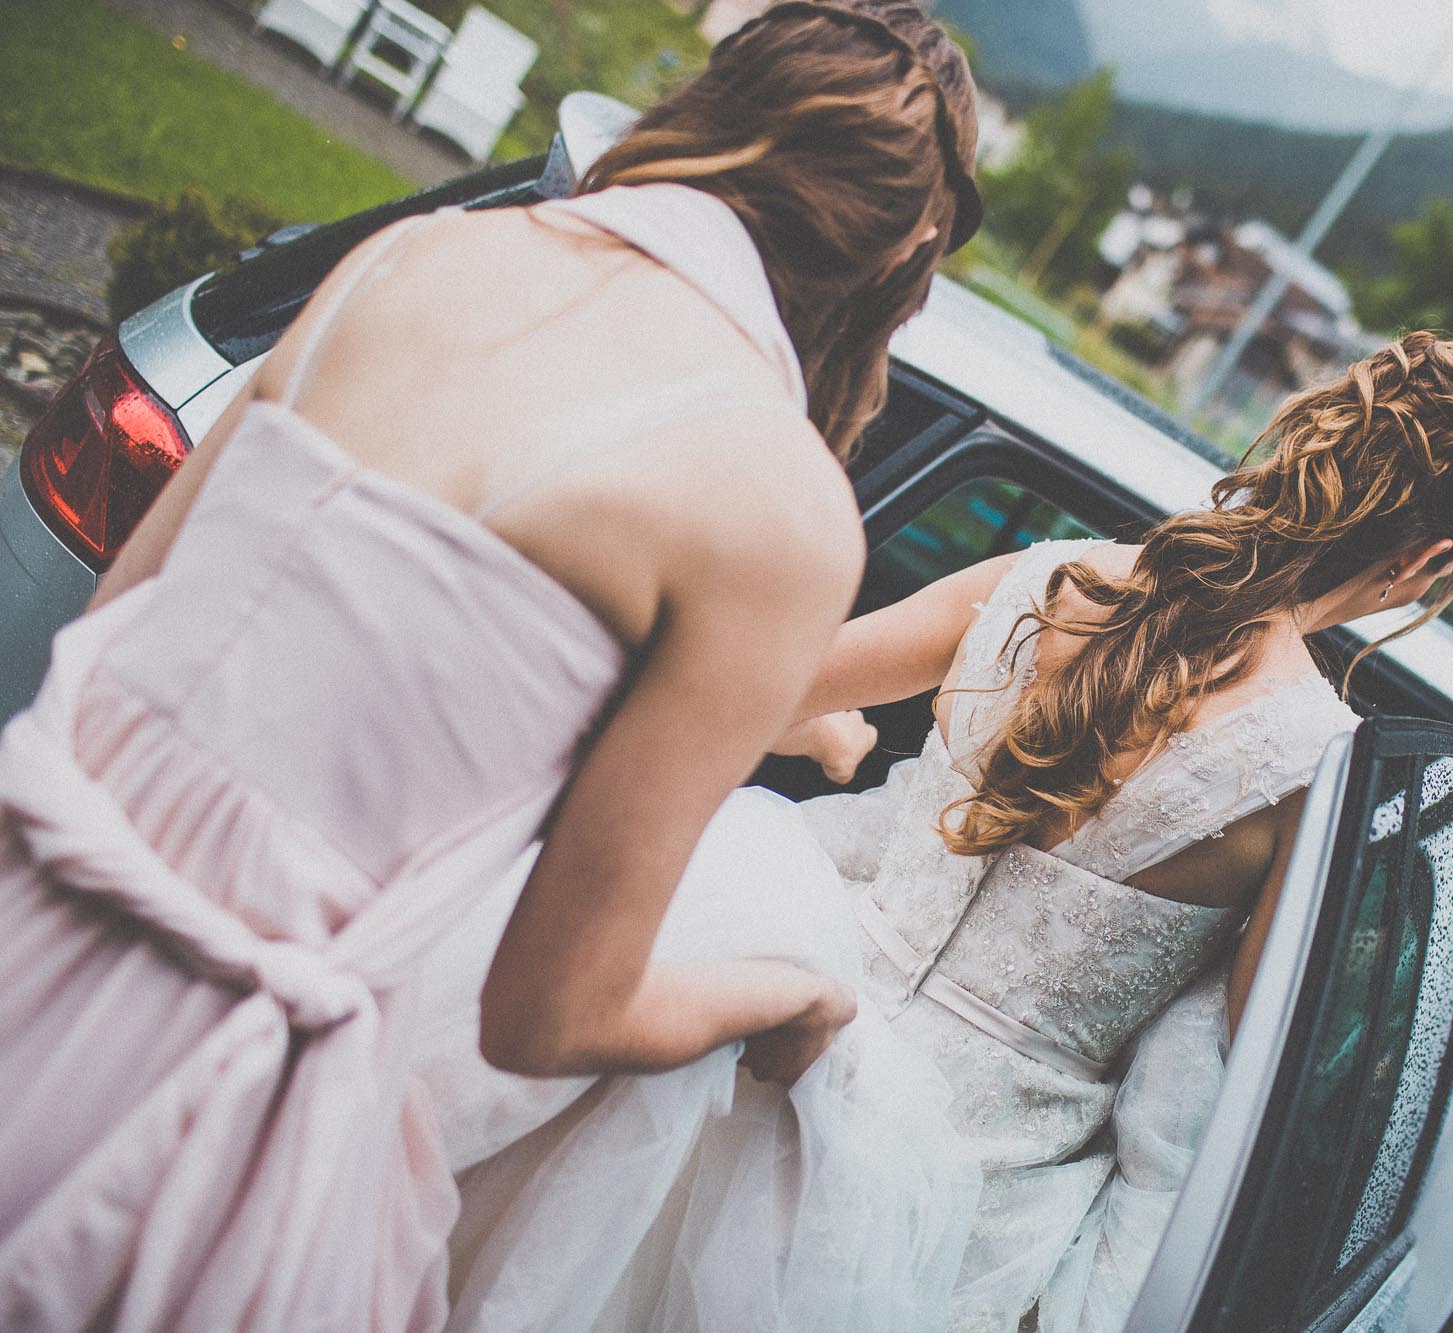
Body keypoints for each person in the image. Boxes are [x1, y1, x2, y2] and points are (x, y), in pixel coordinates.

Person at [0, 4, 979, 1327]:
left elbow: (121, 617)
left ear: (718, 102)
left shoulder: (414, 258)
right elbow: (547, 1014)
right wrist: (796, 995)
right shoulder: (784, 510)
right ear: (906, 253)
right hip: (188, 1100)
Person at [429, 332, 1453, 1331]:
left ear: (1295, 449)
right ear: (1422, 562)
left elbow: (742, 693)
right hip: (958, 1207)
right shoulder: (1315, 769)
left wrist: (834, 738)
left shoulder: (1038, 579)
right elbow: (1245, 1057)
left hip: (750, 1042)